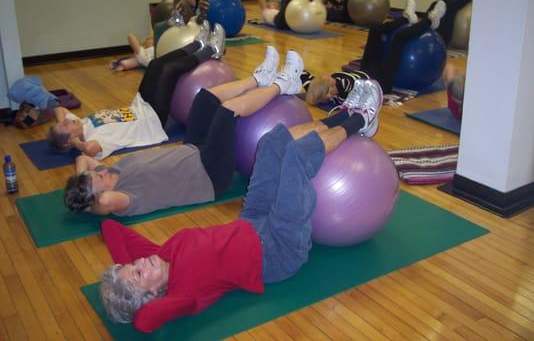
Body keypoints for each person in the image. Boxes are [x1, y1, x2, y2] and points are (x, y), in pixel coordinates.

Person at [98, 78, 383, 333]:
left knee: (271, 142)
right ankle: (361, 121)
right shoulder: (183, 295)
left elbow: (111, 228)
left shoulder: (160, 255)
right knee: (296, 157)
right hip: (276, 250)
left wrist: (125, 272)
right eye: (138, 272)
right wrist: (131, 298)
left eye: (133, 263)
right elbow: (145, 322)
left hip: (250, 219)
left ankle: (344, 115)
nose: (141, 262)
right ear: (152, 295)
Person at [63, 46, 308, 216]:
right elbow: (103, 202)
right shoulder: (123, 199)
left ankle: (259, 79)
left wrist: (81, 183)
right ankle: (284, 84)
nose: (100, 175)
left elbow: (81, 158)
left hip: (192, 150)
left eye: (94, 176)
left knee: (204, 99)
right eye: (96, 181)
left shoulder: (108, 173)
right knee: (227, 111)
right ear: (95, 197)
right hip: (209, 175)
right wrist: (85, 201)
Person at [48, 22, 223, 159]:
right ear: (69, 140)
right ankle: (211, 50)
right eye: (65, 125)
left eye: (64, 122)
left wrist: (64, 129)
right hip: (151, 121)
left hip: (139, 105)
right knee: (169, 71)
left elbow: (59, 109)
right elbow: (89, 149)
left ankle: (196, 44)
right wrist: (75, 143)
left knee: (155, 64)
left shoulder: (82, 123)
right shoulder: (94, 140)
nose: (67, 120)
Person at [304, 0, 447, 105]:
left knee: (374, 31)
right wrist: (330, 91)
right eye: (330, 91)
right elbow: (341, 94)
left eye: (329, 84)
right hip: (381, 81)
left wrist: (301, 74)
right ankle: (430, 20)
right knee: (399, 38)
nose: (332, 83)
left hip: (367, 70)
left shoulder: (324, 86)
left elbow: (306, 79)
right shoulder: (343, 91)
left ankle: (405, 19)